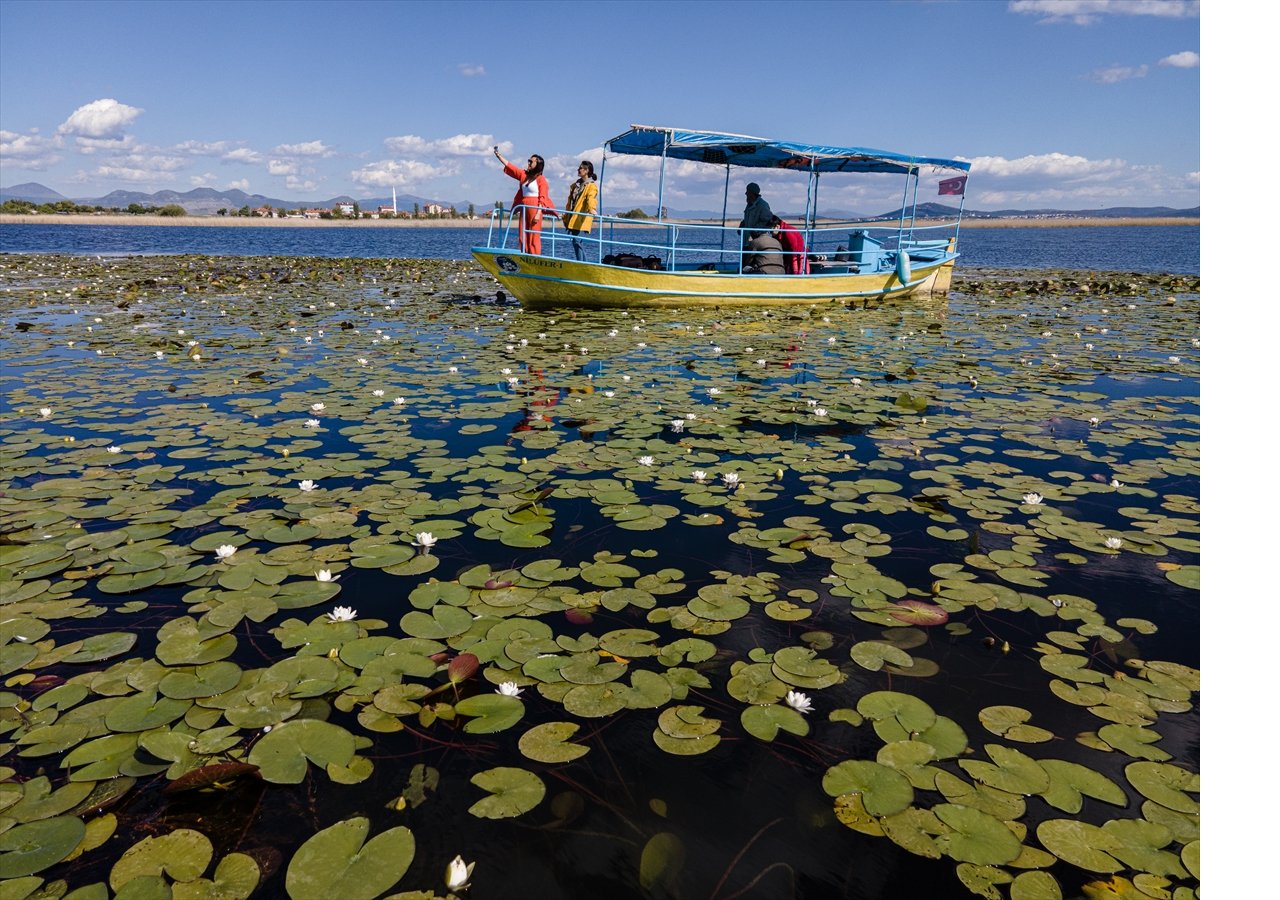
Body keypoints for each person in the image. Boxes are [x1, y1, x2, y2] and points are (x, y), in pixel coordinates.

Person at [493, 146, 554, 255]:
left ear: (538, 164)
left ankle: (535, 255)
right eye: (528, 161)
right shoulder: (524, 175)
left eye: (531, 161)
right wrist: (498, 156)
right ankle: (524, 253)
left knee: (533, 234)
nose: (529, 163)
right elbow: (511, 167)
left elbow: (543, 197)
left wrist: (538, 213)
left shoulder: (541, 180)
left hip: (535, 208)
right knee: (522, 233)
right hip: (524, 207)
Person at [562, 160, 599, 261]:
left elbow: (591, 198)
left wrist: (592, 209)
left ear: (587, 171)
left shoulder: (591, 186)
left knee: (577, 241)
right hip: (573, 217)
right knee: (576, 241)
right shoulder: (575, 185)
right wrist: (565, 215)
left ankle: (584, 263)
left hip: (581, 218)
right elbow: (570, 202)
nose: (578, 170)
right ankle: (582, 263)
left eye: (580, 168)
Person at [738, 182, 773, 262]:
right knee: (745, 263)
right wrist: (742, 226)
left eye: (747, 192)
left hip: (757, 242)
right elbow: (748, 219)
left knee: (753, 262)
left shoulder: (763, 205)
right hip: (747, 241)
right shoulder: (749, 204)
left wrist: (755, 231)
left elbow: (768, 221)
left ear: (752, 193)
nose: (745, 193)